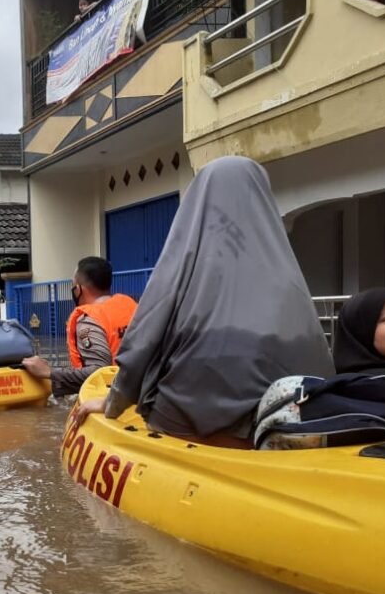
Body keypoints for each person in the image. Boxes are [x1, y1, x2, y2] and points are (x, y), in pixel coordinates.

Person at [73, 156, 334, 446]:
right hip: (280, 421)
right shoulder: (290, 279)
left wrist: (113, 401)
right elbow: (320, 362)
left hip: (188, 420)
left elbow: (144, 342)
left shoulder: (182, 266)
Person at [22, 256, 137, 396]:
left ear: (78, 289)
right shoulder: (132, 306)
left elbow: (99, 372)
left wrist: (49, 372)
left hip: (113, 396)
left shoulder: (89, 320)